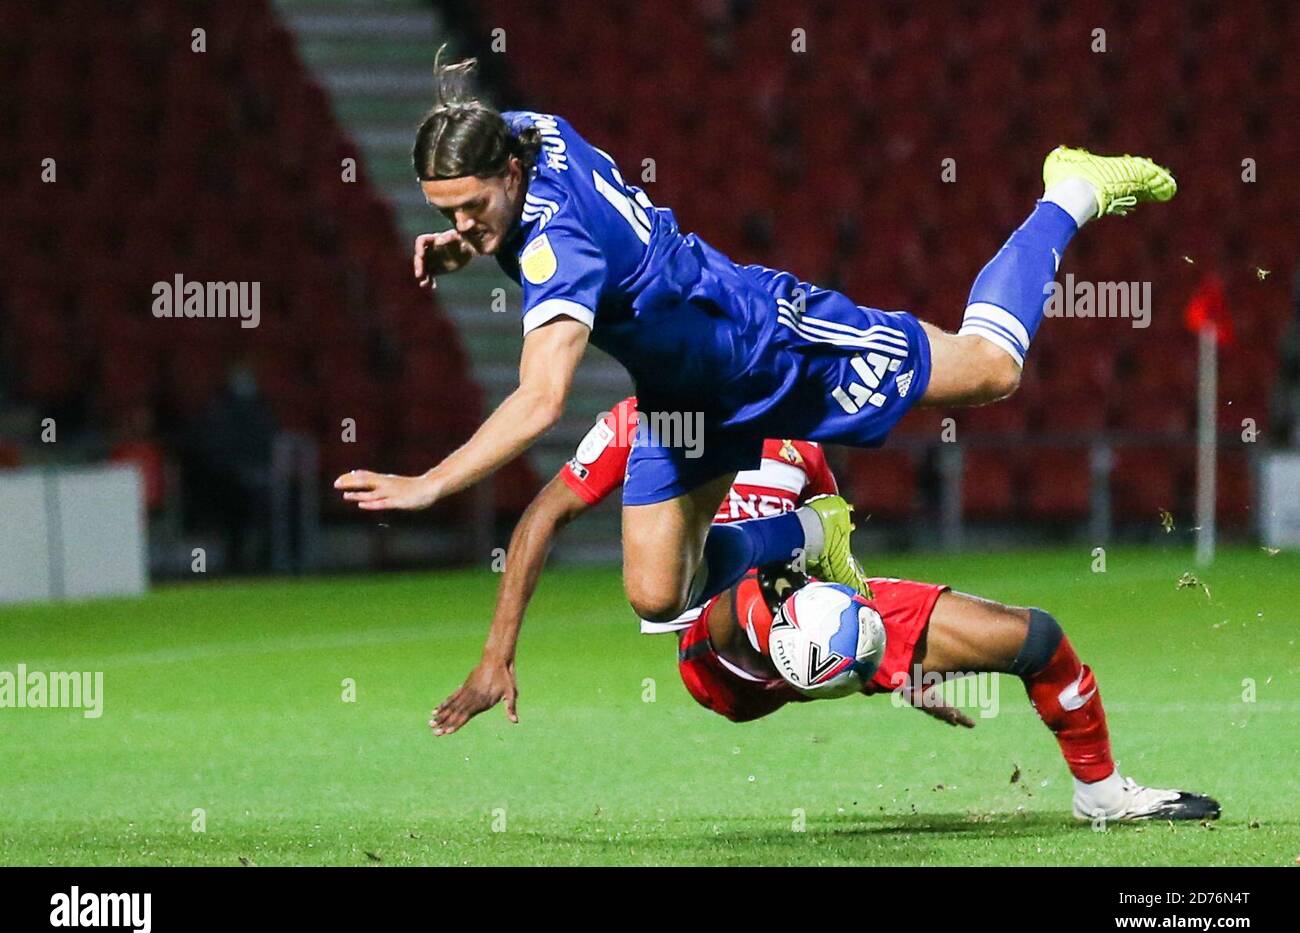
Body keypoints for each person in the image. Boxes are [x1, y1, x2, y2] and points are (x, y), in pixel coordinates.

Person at [336, 54, 1177, 631]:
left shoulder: (560, 244)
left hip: (765, 343)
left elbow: (540, 400)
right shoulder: (524, 130)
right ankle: (811, 537)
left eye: (469, 208)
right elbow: (505, 203)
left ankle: (1068, 191)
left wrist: (432, 482)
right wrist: (470, 241)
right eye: (442, 211)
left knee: (990, 371)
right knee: (657, 597)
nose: (459, 221)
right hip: (684, 398)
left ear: (510, 177)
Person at [433, 399, 1221, 822]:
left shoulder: (799, 446)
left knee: (1036, 637)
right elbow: (541, 516)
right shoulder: (637, 424)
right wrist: (498, 653)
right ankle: (814, 642)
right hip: (719, 655)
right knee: (747, 587)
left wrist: (896, 661)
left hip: (814, 616)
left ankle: (1103, 792)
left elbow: (840, 573)